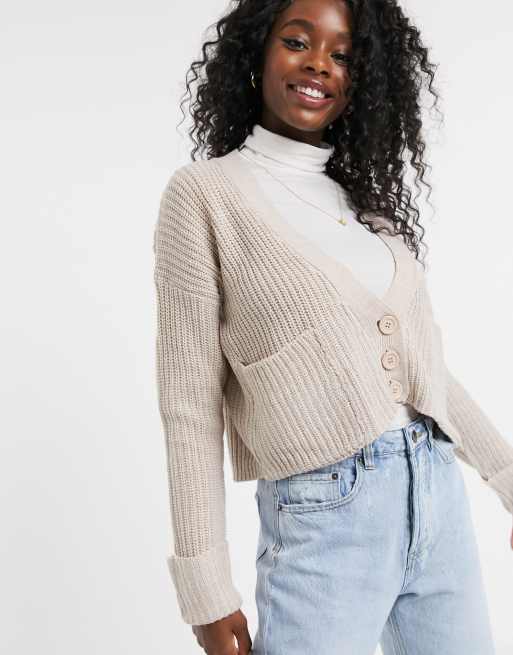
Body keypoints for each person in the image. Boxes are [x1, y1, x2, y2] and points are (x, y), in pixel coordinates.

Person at [153, 1, 513, 653]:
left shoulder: (370, 211)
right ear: (256, 52)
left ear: (360, 80)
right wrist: (205, 587)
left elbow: (427, 375)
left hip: (437, 494)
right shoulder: (205, 196)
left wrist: (507, 478)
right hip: (323, 514)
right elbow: (189, 402)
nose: (319, 63)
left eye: (342, 54)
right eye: (297, 42)